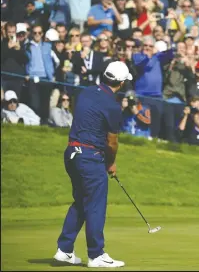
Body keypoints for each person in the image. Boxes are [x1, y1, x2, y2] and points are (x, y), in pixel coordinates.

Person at [54, 61, 132, 268]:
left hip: (71, 153)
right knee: (95, 205)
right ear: (122, 82)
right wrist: (111, 162)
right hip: (90, 157)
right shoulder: (113, 106)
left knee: (81, 202)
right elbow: (112, 142)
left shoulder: (87, 91)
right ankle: (96, 255)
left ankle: (64, 250)